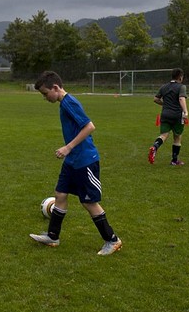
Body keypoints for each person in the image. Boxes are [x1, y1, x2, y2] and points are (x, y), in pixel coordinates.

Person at [29, 70, 122, 256]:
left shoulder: (69, 103)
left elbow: (89, 126)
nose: (45, 98)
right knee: (60, 194)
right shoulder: (63, 104)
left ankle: (112, 240)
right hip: (72, 161)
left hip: (85, 160)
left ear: (55, 88)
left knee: (89, 203)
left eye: (46, 94)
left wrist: (68, 147)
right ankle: (53, 236)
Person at [148, 68, 189, 166]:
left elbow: (156, 99)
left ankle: (155, 147)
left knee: (163, 135)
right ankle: (174, 161)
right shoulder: (181, 87)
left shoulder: (164, 87)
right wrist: (185, 111)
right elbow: (181, 98)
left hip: (165, 114)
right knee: (177, 137)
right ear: (180, 77)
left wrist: (165, 104)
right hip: (177, 115)